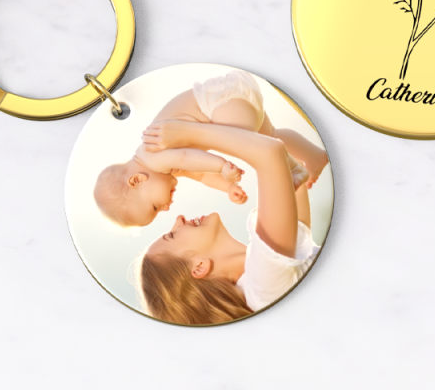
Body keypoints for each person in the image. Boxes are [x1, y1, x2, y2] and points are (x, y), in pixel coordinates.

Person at [134, 120, 322, 325]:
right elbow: (270, 152)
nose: (178, 219)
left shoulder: (265, 281)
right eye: (171, 235)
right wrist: (188, 132)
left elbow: (292, 178)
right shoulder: (263, 287)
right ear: (199, 267)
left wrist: (188, 168)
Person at [94, 70, 329, 227]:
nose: (165, 208)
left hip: (220, 104)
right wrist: (227, 187)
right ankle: (314, 156)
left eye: (154, 207)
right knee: (271, 136)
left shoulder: (150, 155)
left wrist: (222, 166)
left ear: (136, 180)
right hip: (232, 99)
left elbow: (186, 157)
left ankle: (295, 169)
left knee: (250, 147)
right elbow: (201, 175)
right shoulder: (163, 166)